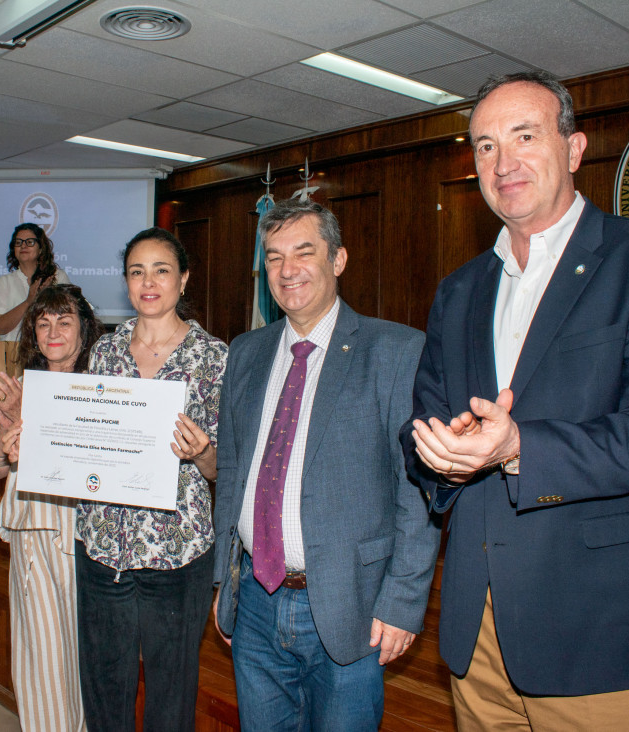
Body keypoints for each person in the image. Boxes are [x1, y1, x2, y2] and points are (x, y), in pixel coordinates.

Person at [402, 71, 629, 729]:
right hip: (478, 630)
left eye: (524, 135)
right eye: (485, 145)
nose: (503, 161)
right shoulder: (460, 290)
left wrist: (517, 446)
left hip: (604, 631)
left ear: (574, 150)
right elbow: (422, 424)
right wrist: (437, 452)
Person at [212, 199, 438, 730]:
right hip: (255, 603)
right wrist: (224, 578)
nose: (287, 270)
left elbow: (417, 492)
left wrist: (403, 603)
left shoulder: (396, 350)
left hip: (349, 608)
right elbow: (232, 470)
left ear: (338, 260)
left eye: (303, 252)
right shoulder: (245, 352)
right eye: (273, 258)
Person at [74, 228, 227, 732]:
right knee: (104, 685)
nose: (149, 281)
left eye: (161, 269)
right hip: (103, 548)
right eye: (137, 271)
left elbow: (224, 468)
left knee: (171, 689)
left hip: (177, 552)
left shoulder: (214, 358)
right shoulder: (104, 352)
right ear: (125, 282)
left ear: (183, 279)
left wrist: (203, 452)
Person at [0, 284, 103, 732]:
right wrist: (4, 435)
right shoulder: (21, 390)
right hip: (36, 541)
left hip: (93, 542)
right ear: (33, 332)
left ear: (84, 330)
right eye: (44, 322)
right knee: (43, 666)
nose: (53, 331)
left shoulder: (106, 389)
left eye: (65, 321)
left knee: (90, 664)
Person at [0, 223, 71, 341]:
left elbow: (69, 318)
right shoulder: (4, 282)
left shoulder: (58, 277)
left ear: (40, 249)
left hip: (51, 350)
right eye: (18, 242)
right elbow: (1, 328)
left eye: (30, 242)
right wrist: (29, 301)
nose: (23, 246)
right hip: (13, 353)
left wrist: (46, 298)